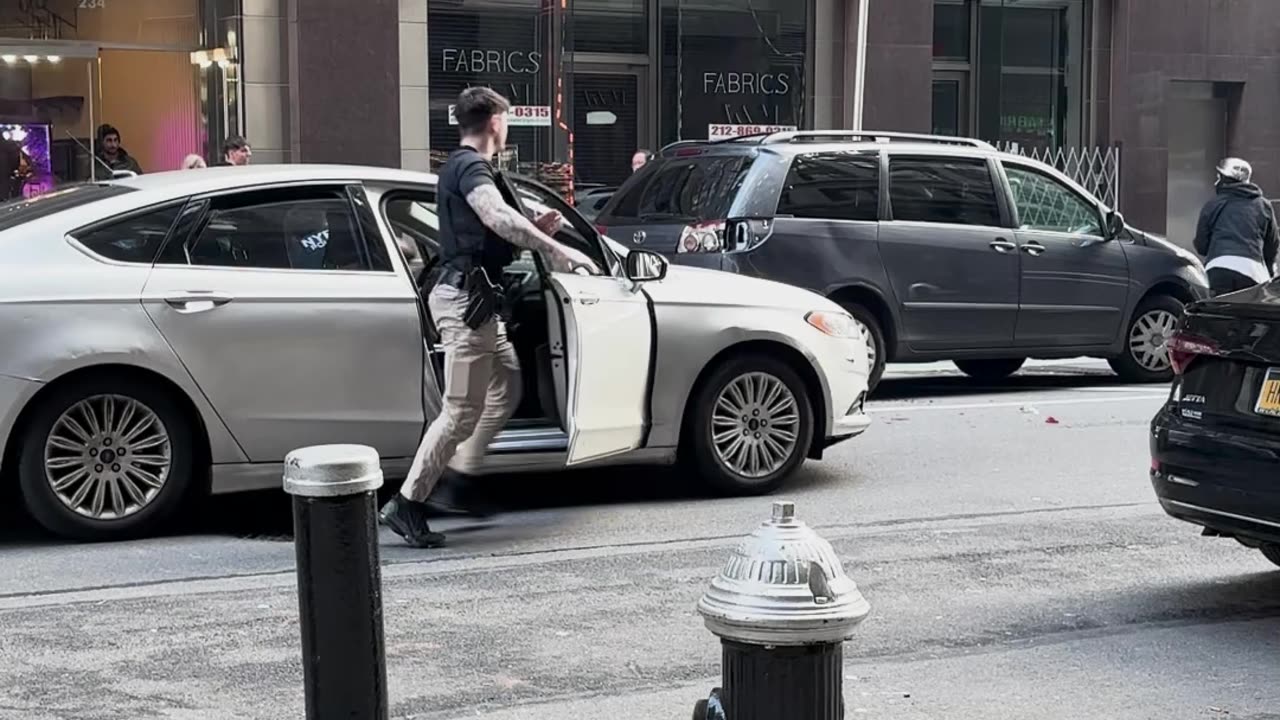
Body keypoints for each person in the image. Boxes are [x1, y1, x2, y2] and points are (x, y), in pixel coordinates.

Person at [379, 87, 598, 548]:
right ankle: (408, 502)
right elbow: (497, 218)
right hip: (465, 304)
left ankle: (460, 476)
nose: (508, 125)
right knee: (460, 412)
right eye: (508, 118)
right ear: (496, 121)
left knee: (507, 384)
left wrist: (535, 231)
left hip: (479, 304)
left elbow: (493, 232)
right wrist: (557, 250)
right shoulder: (469, 166)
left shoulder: (471, 168)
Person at [1193, 157, 1279, 296]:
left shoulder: (1213, 204)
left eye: (1219, 176)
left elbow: (1201, 245)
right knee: (1246, 314)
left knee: (1218, 314)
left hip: (1217, 268)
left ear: (1225, 179)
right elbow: (1272, 245)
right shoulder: (1264, 206)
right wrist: (1269, 271)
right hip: (1252, 271)